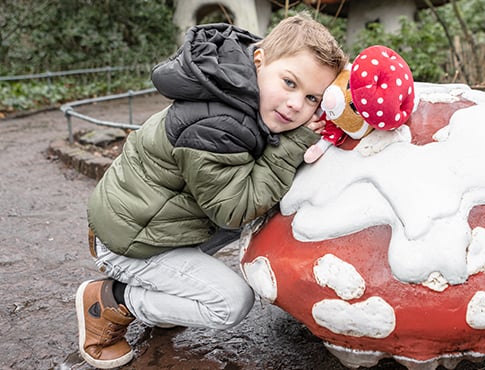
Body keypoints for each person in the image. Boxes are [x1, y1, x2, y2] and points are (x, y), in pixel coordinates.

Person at [75, 13, 347, 369]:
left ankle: (164, 292)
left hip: (152, 221)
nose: (298, 104)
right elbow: (233, 210)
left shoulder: (237, 91)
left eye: (313, 98)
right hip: (130, 243)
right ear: (259, 59)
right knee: (230, 303)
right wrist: (297, 141)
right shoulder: (219, 124)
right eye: (289, 83)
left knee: (265, 215)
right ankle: (111, 301)